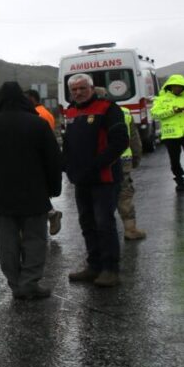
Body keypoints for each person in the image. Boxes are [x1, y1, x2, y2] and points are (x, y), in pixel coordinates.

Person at [0, 82, 62, 300]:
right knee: (35, 238)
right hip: (34, 189)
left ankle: (15, 284)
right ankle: (29, 283)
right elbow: (53, 158)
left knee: (7, 241)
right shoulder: (38, 124)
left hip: (3, 191)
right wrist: (53, 186)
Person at [62, 73, 129, 288]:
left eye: (83, 88)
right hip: (81, 180)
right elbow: (67, 144)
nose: (79, 92)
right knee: (87, 223)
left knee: (104, 223)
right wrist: (67, 166)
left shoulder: (108, 108)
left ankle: (110, 269)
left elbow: (120, 142)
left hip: (104, 178)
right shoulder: (70, 111)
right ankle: (94, 265)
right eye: (74, 90)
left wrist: (96, 165)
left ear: (91, 88)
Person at [94, 87, 148, 241]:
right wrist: (136, 158)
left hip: (95, 163)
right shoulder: (123, 112)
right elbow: (134, 139)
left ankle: (101, 232)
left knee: (100, 195)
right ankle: (130, 229)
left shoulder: (83, 114)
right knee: (124, 194)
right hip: (122, 160)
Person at [26, 89, 64, 236]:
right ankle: (50, 215)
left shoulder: (38, 114)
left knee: (35, 192)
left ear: (33, 99)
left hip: (38, 158)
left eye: (26, 98)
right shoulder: (43, 111)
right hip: (41, 156)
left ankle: (49, 216)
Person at [152, 74, 184, 192]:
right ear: (170, 86)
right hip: (170, 135)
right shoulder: (161, 99)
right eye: (175, 86)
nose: (177, 88)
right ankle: (179, 180)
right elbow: (155, 114)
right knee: (174, 160)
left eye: (180, 86)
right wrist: (173, 111)